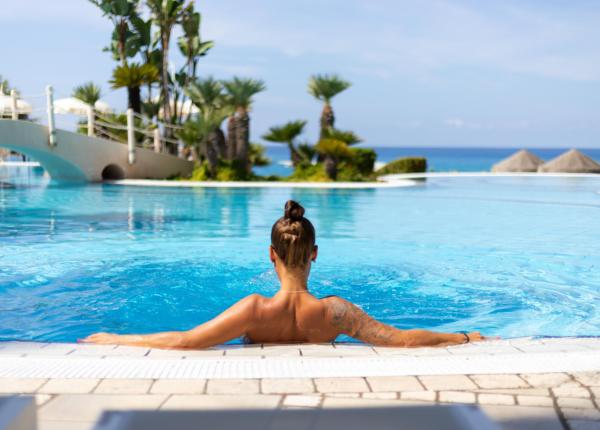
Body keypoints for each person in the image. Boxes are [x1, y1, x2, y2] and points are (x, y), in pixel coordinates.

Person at [82, 200, 484, 349]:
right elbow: (401, 339)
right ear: (314, 255)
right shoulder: (336, 312)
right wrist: (461, 336)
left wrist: (117, 338)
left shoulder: (254, 309)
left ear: (271, 256)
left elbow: (186, 341)